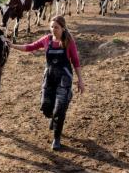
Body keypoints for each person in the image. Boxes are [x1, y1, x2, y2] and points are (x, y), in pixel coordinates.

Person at [8, 15, 85, 150]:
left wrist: (80, 80)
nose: (53, 30)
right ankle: (53, 116)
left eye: (56, 27)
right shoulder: (46, 40)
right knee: (45, 106)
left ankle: (56, 139)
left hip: (64, 77)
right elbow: (30, 47)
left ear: (63, 28)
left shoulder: (68, 41)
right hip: (49, 77)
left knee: (60, 109)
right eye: (51, 27)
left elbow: (76, 62)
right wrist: (12, 45)